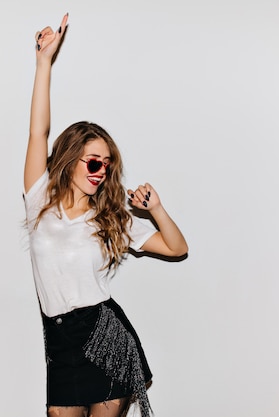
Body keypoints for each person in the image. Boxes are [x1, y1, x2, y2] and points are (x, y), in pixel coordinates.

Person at [23, 13, 188, 417]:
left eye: (107, 166)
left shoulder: (111, 218)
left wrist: (157, 210)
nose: (101, 172)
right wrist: (44, 63)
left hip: (104, 333)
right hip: (58, 341)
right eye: (93, 163)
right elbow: (38, 133)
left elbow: (176, 247)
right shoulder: (39, 197)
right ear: (70, 160)